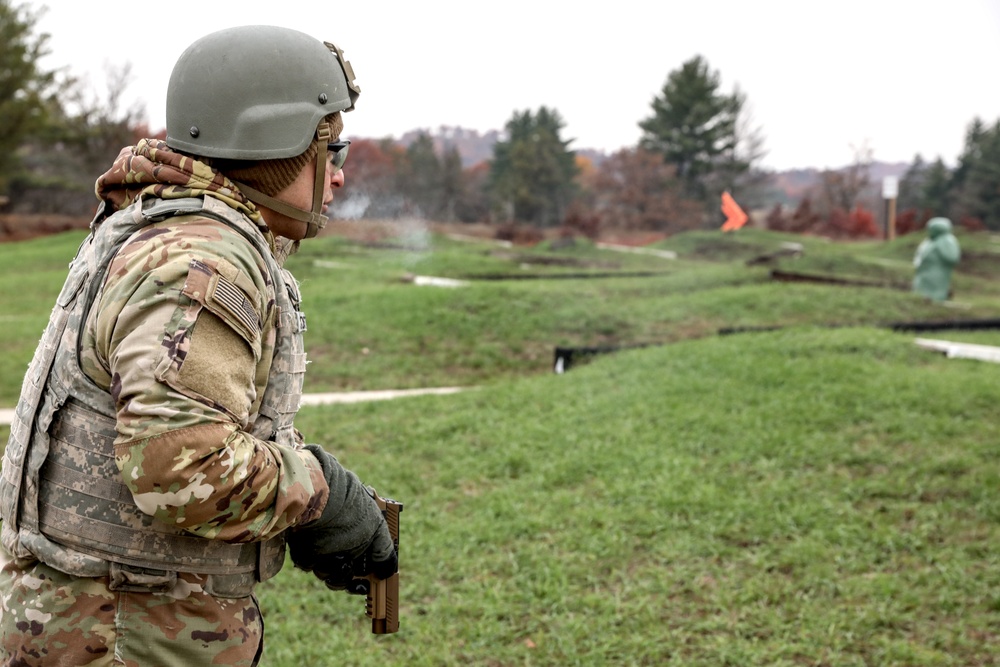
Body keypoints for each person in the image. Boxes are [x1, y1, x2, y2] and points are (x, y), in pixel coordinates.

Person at [0, 25, 396, 666]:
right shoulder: (201, 257)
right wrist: (318, 493)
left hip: (113, 621)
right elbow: (180, 468)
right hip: (126, 634)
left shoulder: (175, 226)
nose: (341, 176)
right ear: (280, 144)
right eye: (335, 148)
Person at [913, 216, 961, 301]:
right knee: (920, 289)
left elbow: (952, 257)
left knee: (935, 291)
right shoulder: (929, 241)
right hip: (924, 273)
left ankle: (936, 300)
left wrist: (940, 249)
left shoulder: (947, 240)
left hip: (937, 273)